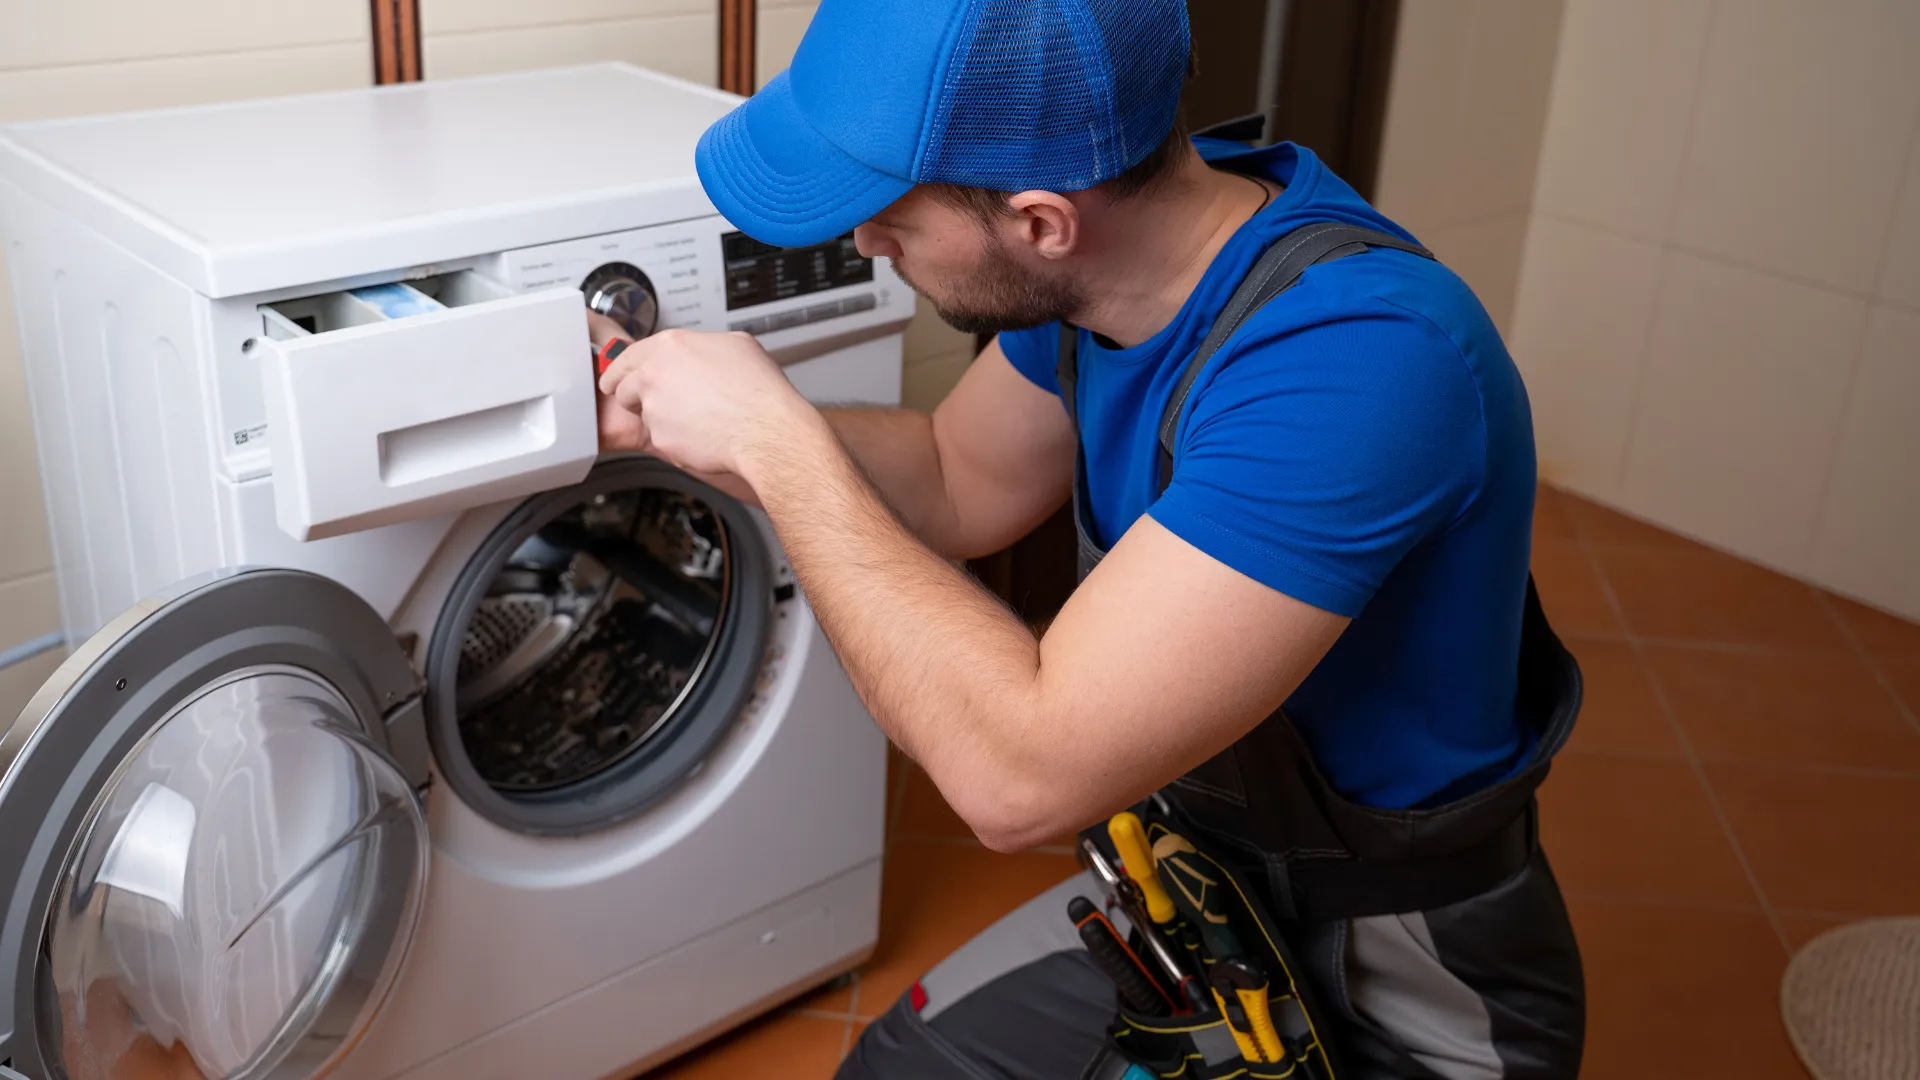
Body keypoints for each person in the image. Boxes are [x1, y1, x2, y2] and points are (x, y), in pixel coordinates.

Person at [591, 0, 1586, 1076]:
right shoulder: (1118, 270)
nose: (866, 241)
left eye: (889, 214)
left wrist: (777, 447)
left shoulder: (1360, 362)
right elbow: (955, 475)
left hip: (1396, 968)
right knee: (901, 1066)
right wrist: (695, 416)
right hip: (1194, 894)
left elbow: (1016, 778)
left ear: (1040, 222)